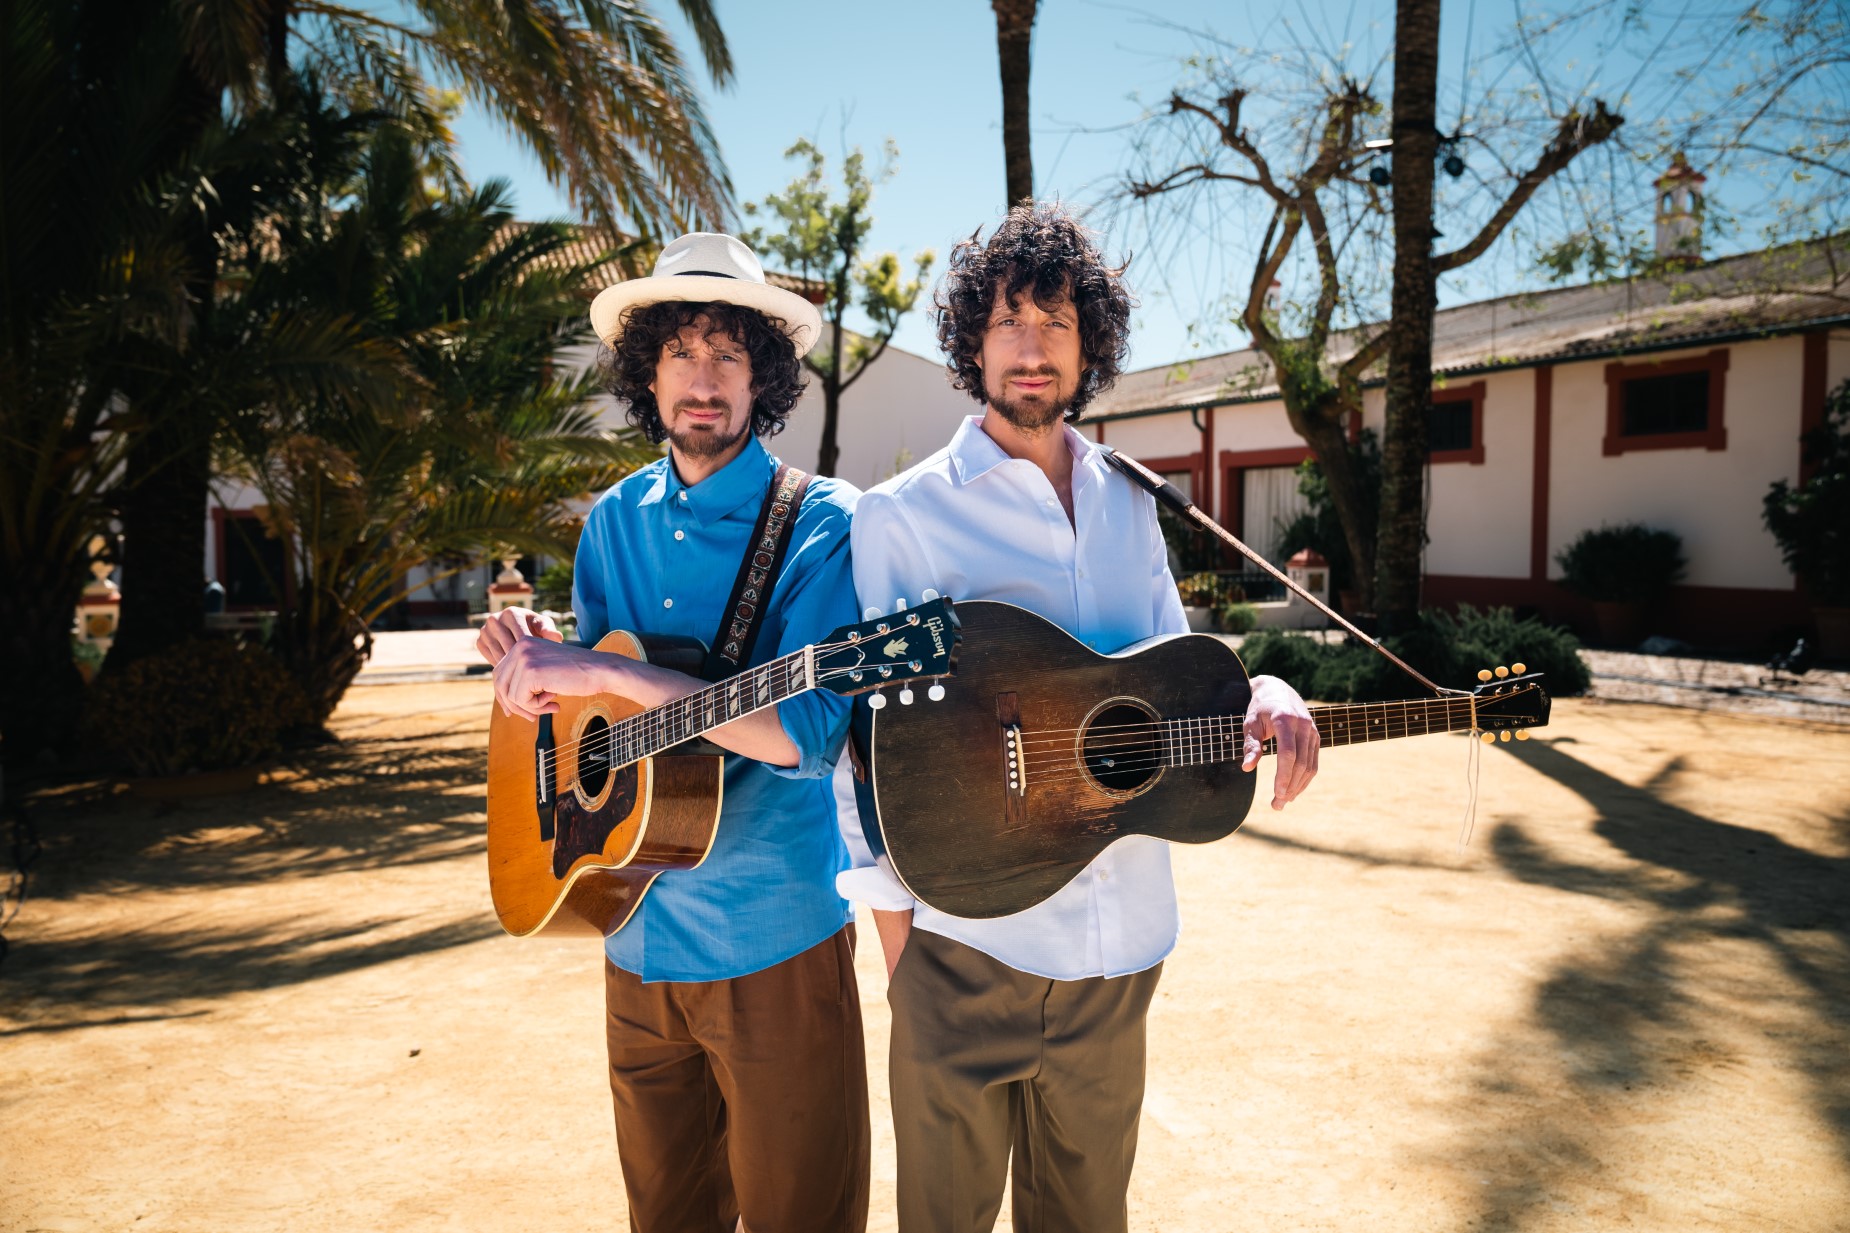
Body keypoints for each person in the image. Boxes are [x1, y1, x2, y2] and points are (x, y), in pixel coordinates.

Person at [841, 202, 1322, 1233]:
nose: (1030, 348)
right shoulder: (904, 516)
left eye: (1055, 324)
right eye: (1008, 322)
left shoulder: (1129, 501)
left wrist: (1264, 693)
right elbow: (867, 751)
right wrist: (903, 958)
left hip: (1119, 956)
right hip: (965, 952)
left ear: (1087, 345)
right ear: (971, 343)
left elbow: (1172, 681)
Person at [477, 232, 869, 1233]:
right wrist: (534, 663)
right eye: (681, 352)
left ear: (763, 378)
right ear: (645, 374)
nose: (704, 379)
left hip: (770, 938)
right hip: (631, 928)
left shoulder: (822, 520)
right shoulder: (613, 518)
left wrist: (603, 668)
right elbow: (588, 717)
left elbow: (808, 734)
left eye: (729, 354)